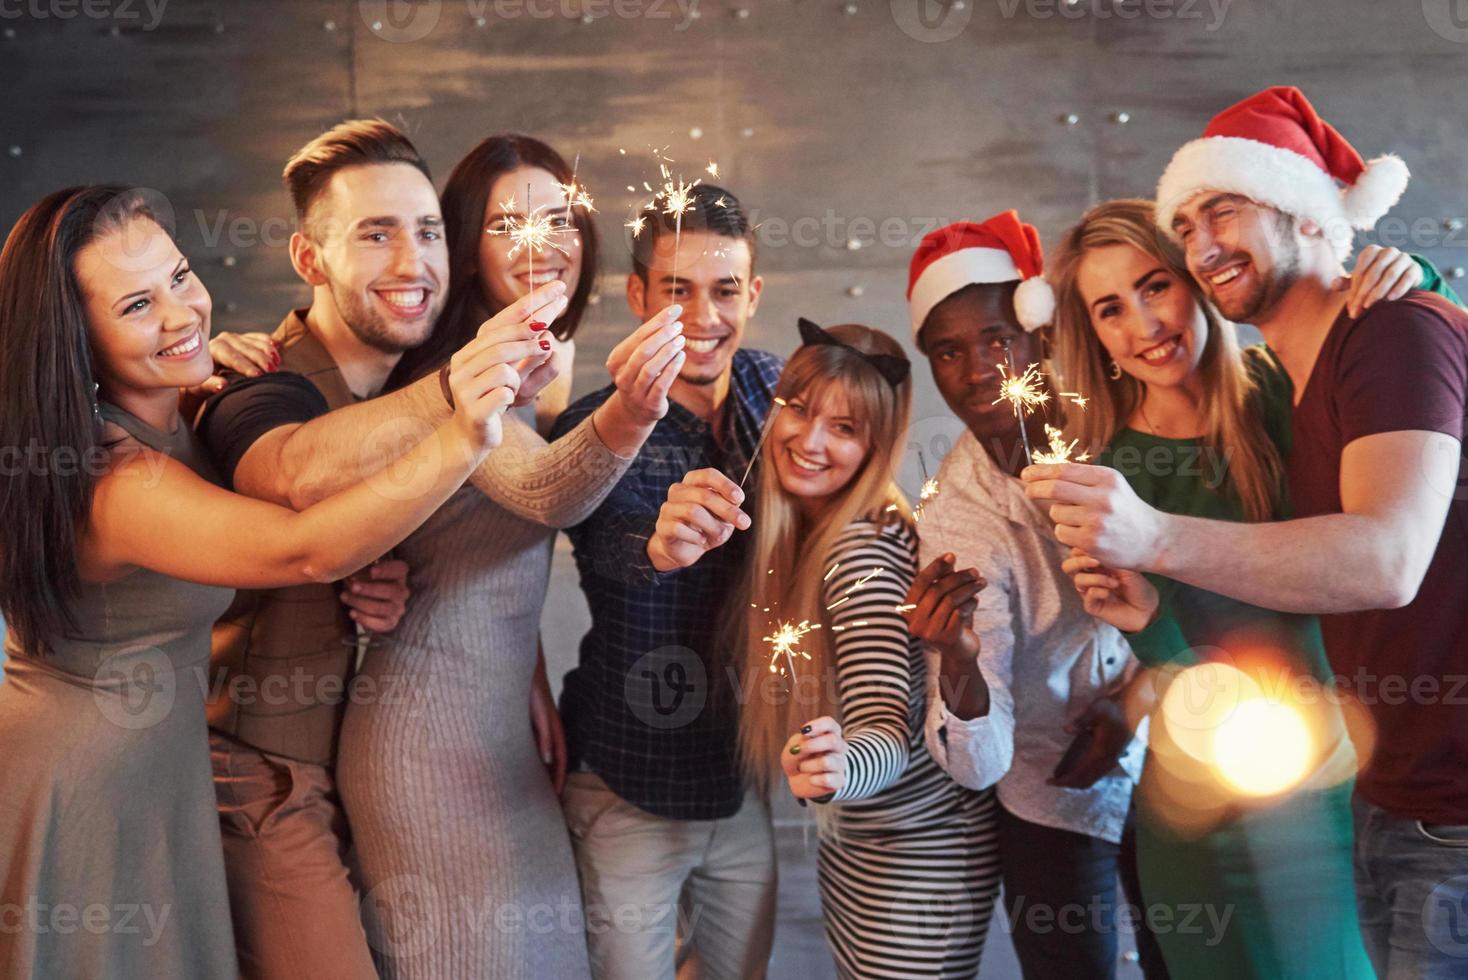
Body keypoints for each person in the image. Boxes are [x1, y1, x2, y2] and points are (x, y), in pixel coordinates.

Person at [195, 122, 682, 978]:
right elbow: (307, 489)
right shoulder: (275, 375)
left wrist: (521, 657)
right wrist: (631, 413)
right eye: (501, 226)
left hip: (444, 735)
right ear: (312, 260)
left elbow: (468, 547)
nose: (539, 242)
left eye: (423, 233)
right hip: (287, 765)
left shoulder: (484, 363)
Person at [0, 184, 520, 979]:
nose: (181, 312)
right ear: (75, 339)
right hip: (85, 786)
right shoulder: (114, 478)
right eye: (138, 304)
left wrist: (201, 370)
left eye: (179, 277)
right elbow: (301, 552)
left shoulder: (175, 409)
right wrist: (462, 431)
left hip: (153, 764)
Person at [1026, 86, 1468, 976]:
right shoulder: (1112, 471)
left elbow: (1414, 413)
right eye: (1110, 309)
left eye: (1156, 284)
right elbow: (1173, 665)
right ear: (1093, 334)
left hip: (1362, 785)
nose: (1146, 323)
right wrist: (1147, 621)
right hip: (1232, 798)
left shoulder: (1287, 388)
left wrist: (1423, 275)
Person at [651, 317, 991, 977]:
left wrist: (841, 768)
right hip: (871, 842)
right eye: (799, 411)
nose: (808, 441)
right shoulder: (816, 532)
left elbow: (886, 725)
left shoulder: (860, 552)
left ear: (876, 444)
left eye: (844, 428)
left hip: (918, 855)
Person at [900, 214, 1148, 979]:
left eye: (1000, 338)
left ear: (1039, 335)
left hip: (1189, 755)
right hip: (1050, 788)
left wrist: (1143, 695)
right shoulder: (956, 515)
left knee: (1206, 958)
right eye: (949, 350)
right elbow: (982, 762)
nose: (979, 369)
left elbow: (1223, 595)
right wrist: (961, 665)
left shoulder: (1134, 420)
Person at [552, 183, 781, 979]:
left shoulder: (773, 389)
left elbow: (852, 463)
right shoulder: (590, 428)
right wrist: (658, 547)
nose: (703, 316)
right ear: (638, 294)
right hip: (625, 786)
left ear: (752, 294)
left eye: (724, 291)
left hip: (740, 782)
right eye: (677, 291)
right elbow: (604, 547)